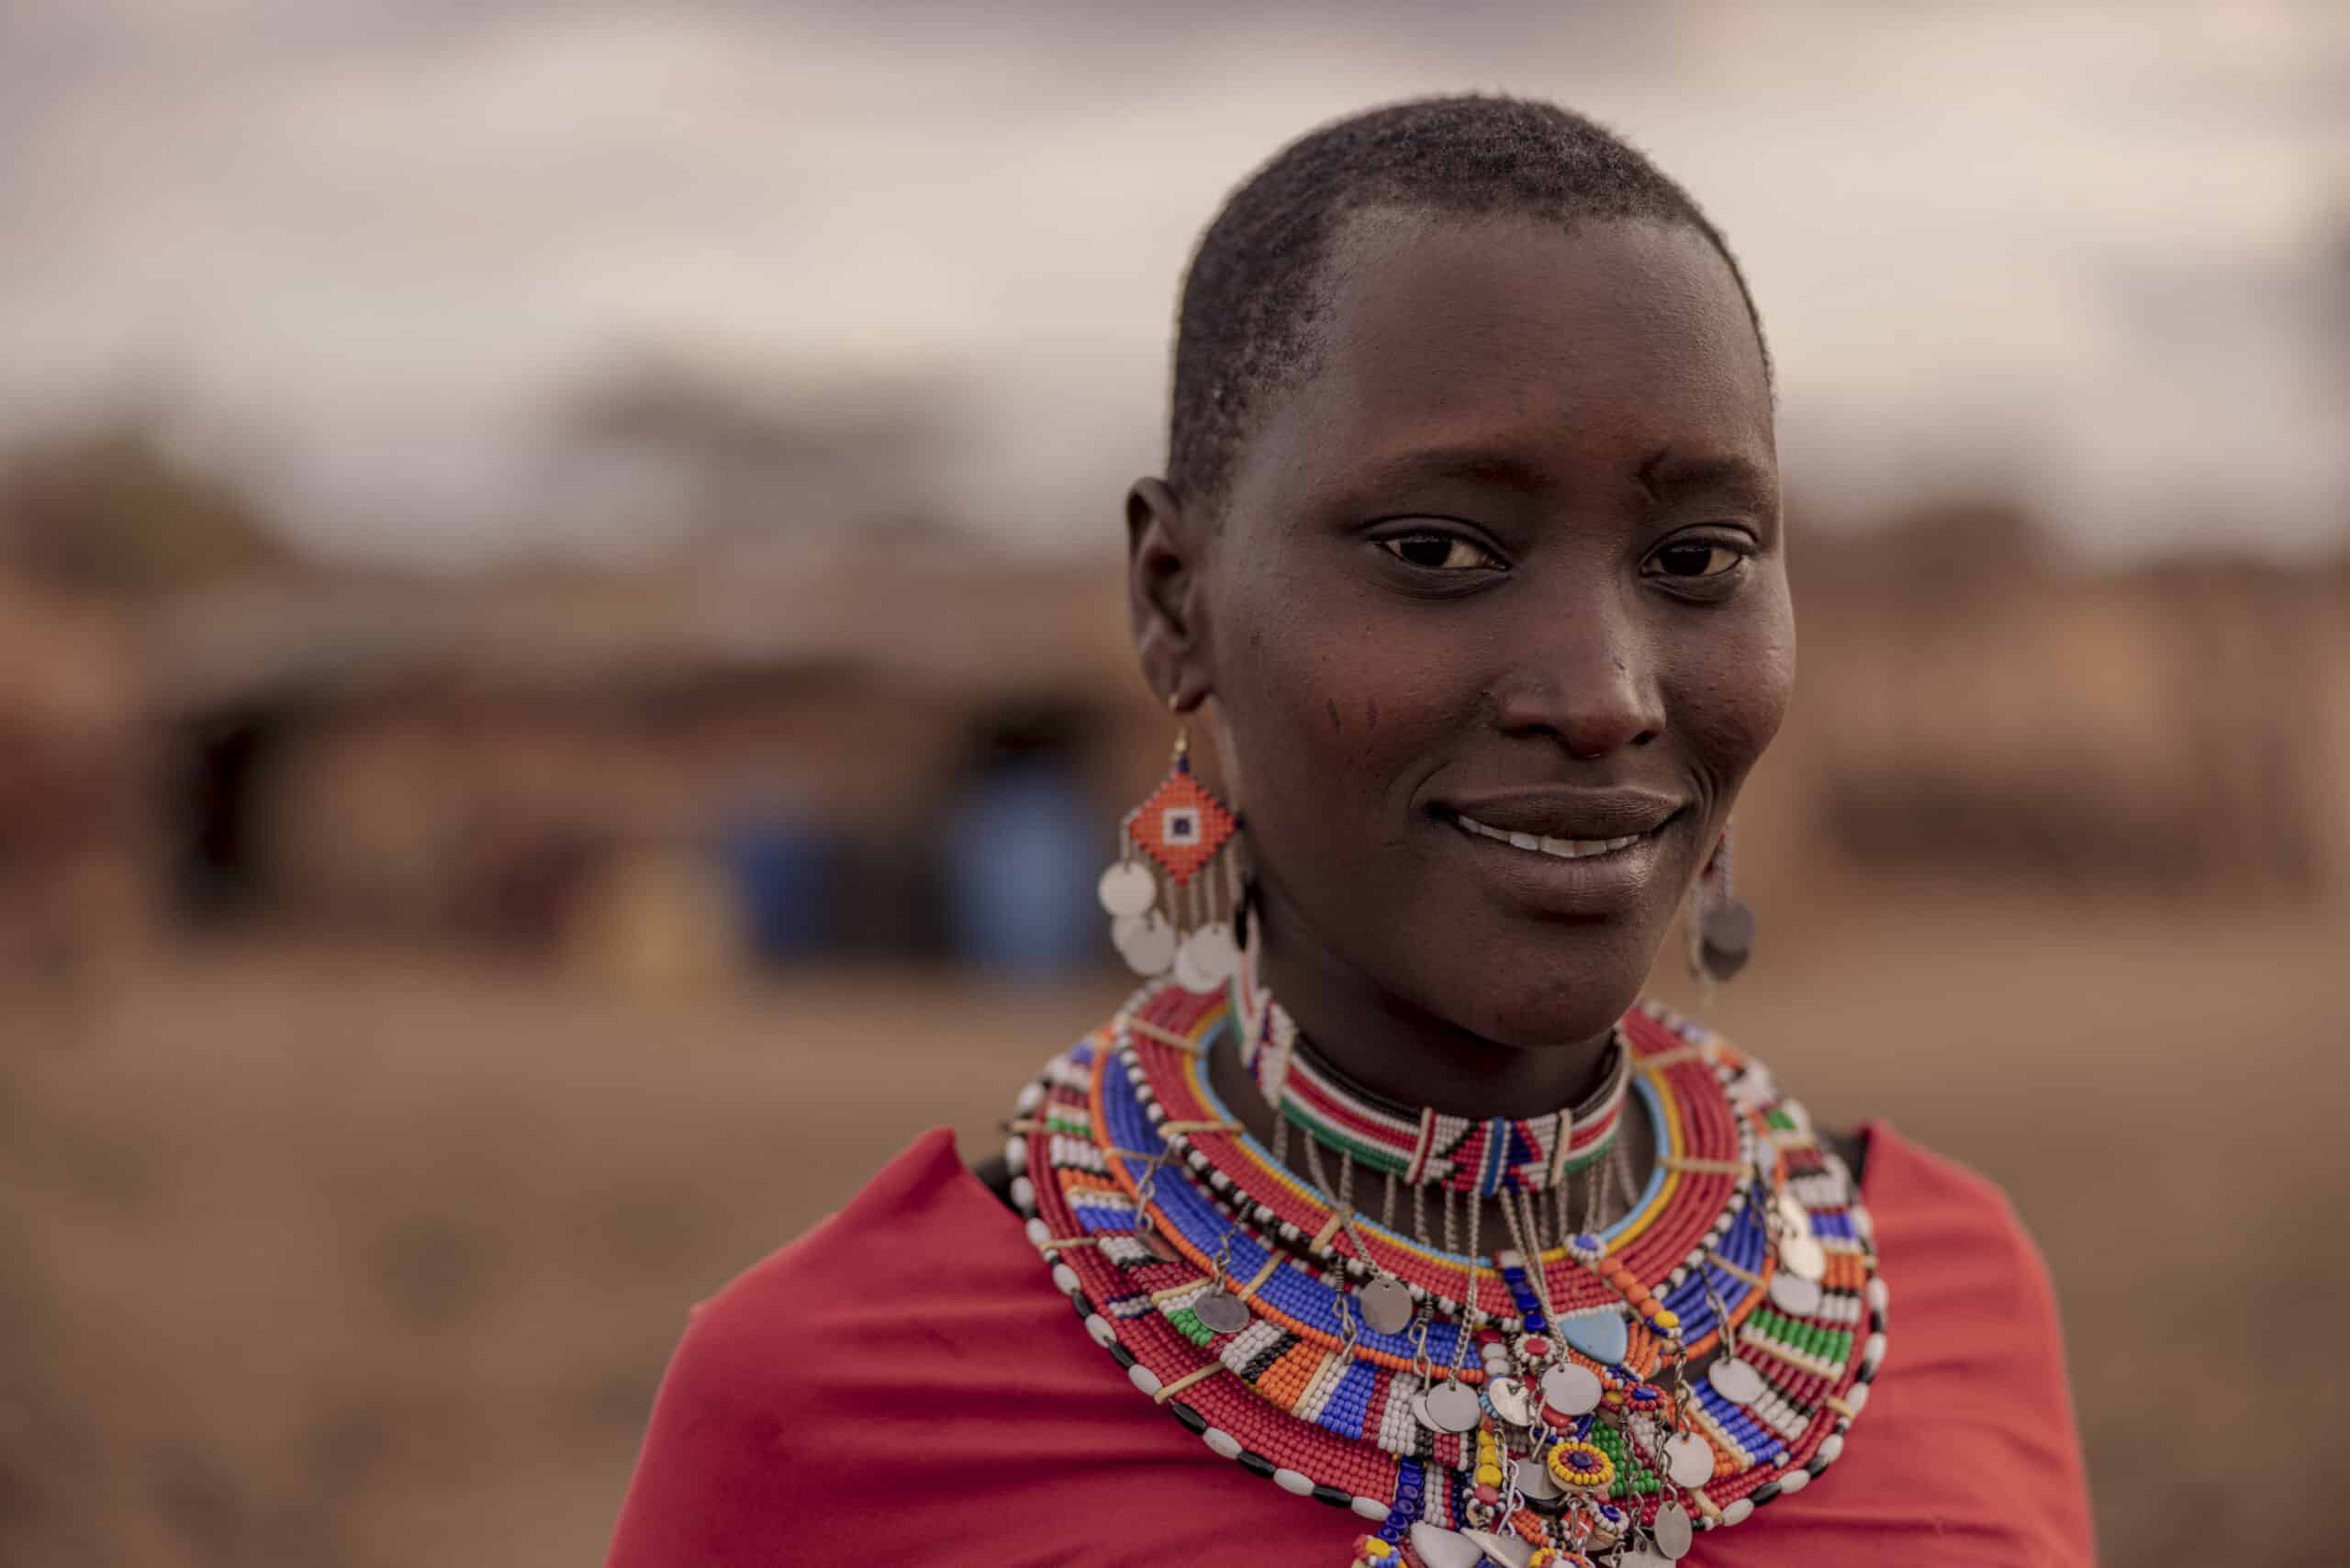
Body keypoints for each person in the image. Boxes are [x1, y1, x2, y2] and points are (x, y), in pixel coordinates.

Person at [605, 95, 2093, 1566]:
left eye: (1697, 557)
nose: (1603, 695)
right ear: (1176, 602)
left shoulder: (1952, 1294)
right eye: (1439, 550)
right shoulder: (836, 1407)